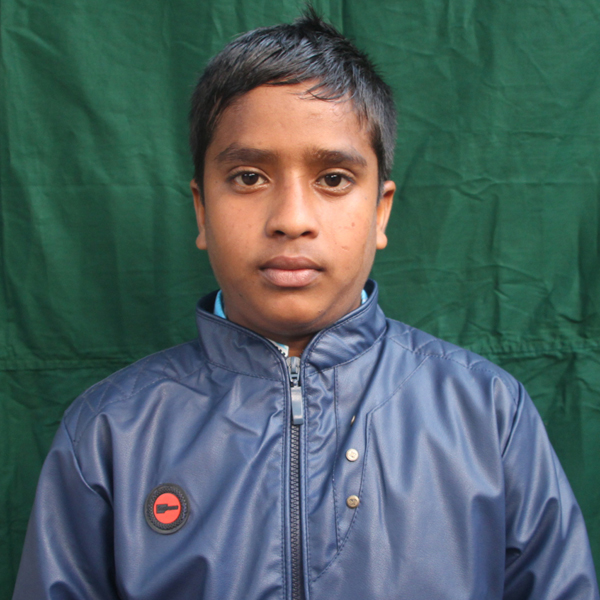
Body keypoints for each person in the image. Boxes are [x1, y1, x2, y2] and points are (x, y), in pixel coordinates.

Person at [13, 9, 599, 600]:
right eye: (249, 177)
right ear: (201, 210)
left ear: (381, 212)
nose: (292, 219)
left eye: (334, 179)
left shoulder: (487, 414)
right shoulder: (110, 433)